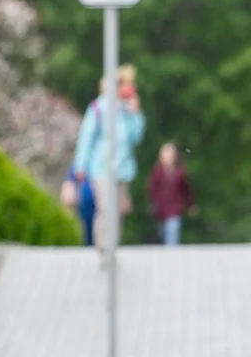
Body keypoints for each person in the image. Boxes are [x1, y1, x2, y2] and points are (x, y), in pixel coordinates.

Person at [72, 65, 146, 251]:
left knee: (119, 210)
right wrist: (80, 165)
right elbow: (86, 137)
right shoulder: (99, 108)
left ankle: (113, 246)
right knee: (105, 207)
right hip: (101, 167)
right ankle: (103, 245)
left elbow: (136, 137)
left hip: (122, 169)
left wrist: (136, 114)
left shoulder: (127, 110)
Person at [147, 142, 196, 247]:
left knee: (173, 231)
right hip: (161, 210)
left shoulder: (179, 173)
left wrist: (190, 205)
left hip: (175, 209)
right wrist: (152, 204)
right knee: (163, 234)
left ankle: (172, 252)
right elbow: (152, 191)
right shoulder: (157, 173)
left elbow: (186, 191)